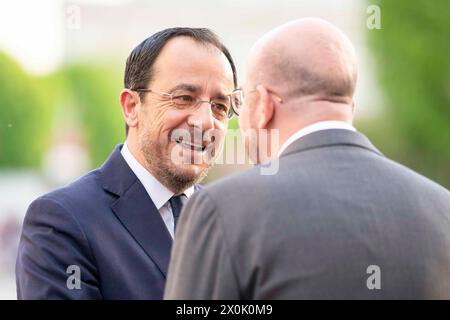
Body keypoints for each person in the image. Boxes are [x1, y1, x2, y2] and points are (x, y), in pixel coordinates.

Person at [165, 18, 450, 299]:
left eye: (240, 102)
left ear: (263, 105)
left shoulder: (224, 209)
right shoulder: (442, 208)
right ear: (349, 105)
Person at [16, 27, 237, 299]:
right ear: (131, 107)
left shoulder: (232, 223)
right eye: (184, 98)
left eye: (219, 106)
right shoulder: (61, 221)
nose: (205, 122)